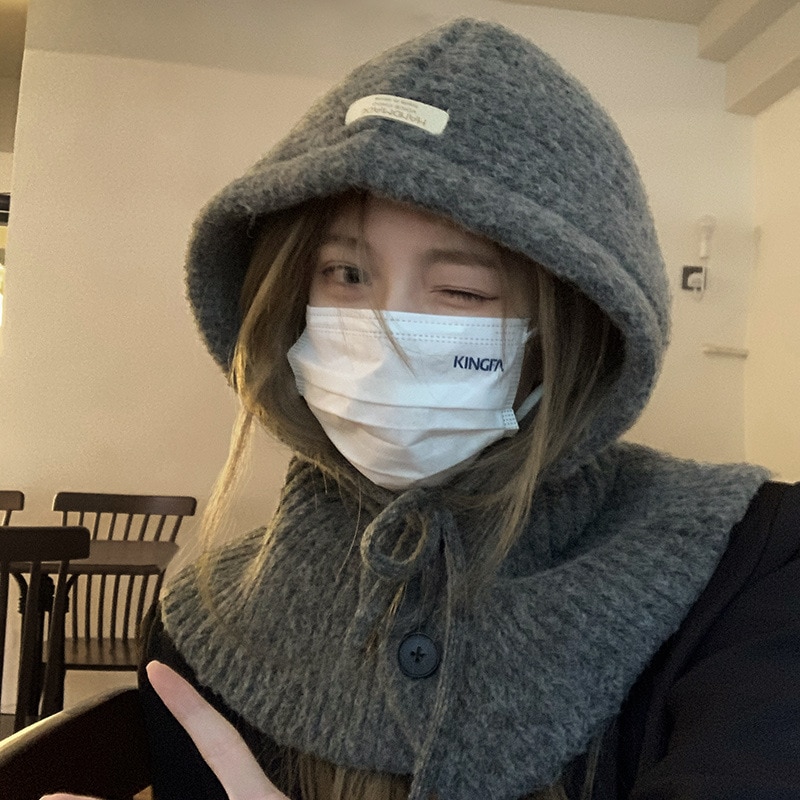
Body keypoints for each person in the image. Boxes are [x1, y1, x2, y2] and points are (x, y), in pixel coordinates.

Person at [51, 16, 800, 800]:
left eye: (463, 290)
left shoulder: (751, 567)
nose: (385, 338)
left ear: (572, 333)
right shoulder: (207, 629)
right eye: (346, 274)